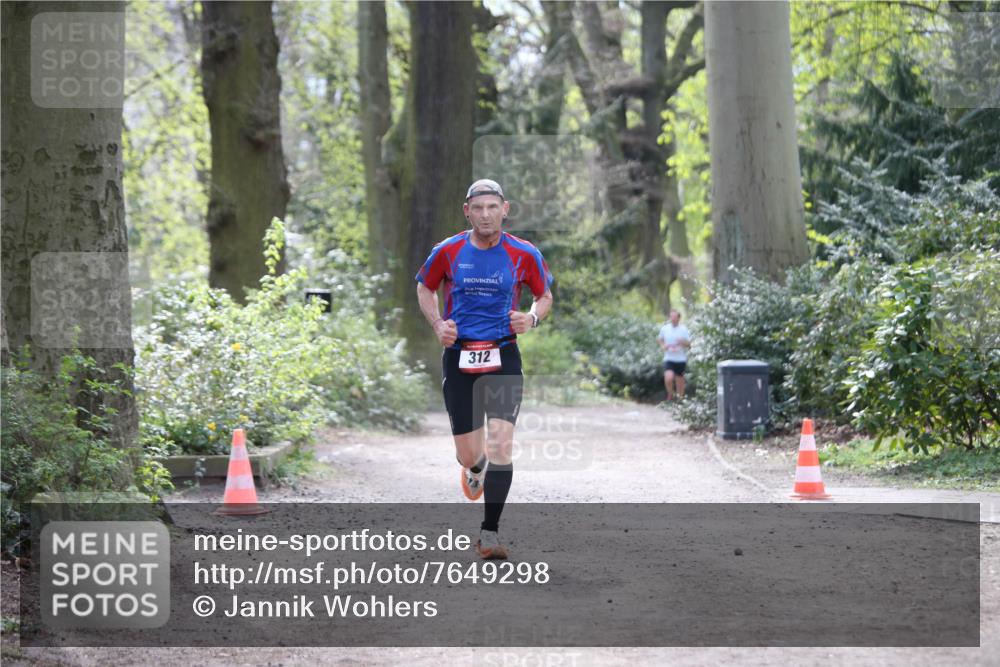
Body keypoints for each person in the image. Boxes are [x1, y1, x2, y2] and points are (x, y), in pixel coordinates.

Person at [415, 178, 554, 559]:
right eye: (478, 208)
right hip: (460, 356)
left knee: (501, 444)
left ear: (505, 209)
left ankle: (488, 533)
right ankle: (474, 468)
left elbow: (544, 296)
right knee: (469, 454)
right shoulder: (448, 251)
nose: (486, 214)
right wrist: (438, 325)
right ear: (467, 211)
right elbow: (425, 287)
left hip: (503, 354)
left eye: (493, 207)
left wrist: (531, 318)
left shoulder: (524, 253)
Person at [657, 310, 690, 401]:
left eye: (675, 317)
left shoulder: (684, 329)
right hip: (669, 358)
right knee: (669, 377)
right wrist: (663, 346)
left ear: (679, 318)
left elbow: (689, 344)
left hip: (680, 359)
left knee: (680, 382)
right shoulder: (665, 328)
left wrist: (682, 342)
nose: (673, 319)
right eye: (671, 317)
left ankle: (680, 399)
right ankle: (670, 394)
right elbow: (660, 339)